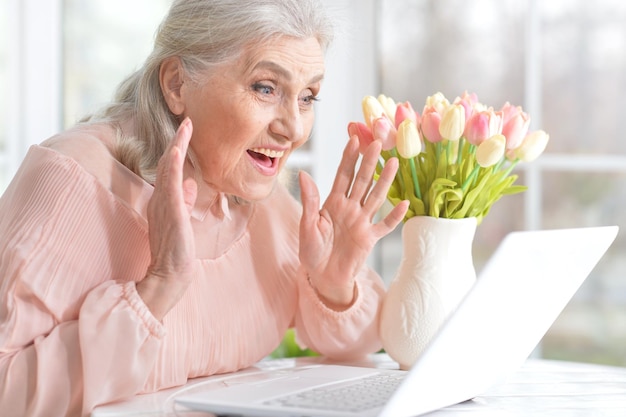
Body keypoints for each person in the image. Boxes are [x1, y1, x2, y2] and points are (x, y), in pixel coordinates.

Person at [0, 0, 409, 416]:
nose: (294, 129)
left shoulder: (259, 203)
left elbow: (358, 350)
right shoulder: (71, 179)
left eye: (307, 97)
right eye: (265, 88)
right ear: (177, 84)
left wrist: (332, 284)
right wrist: (157, 287)